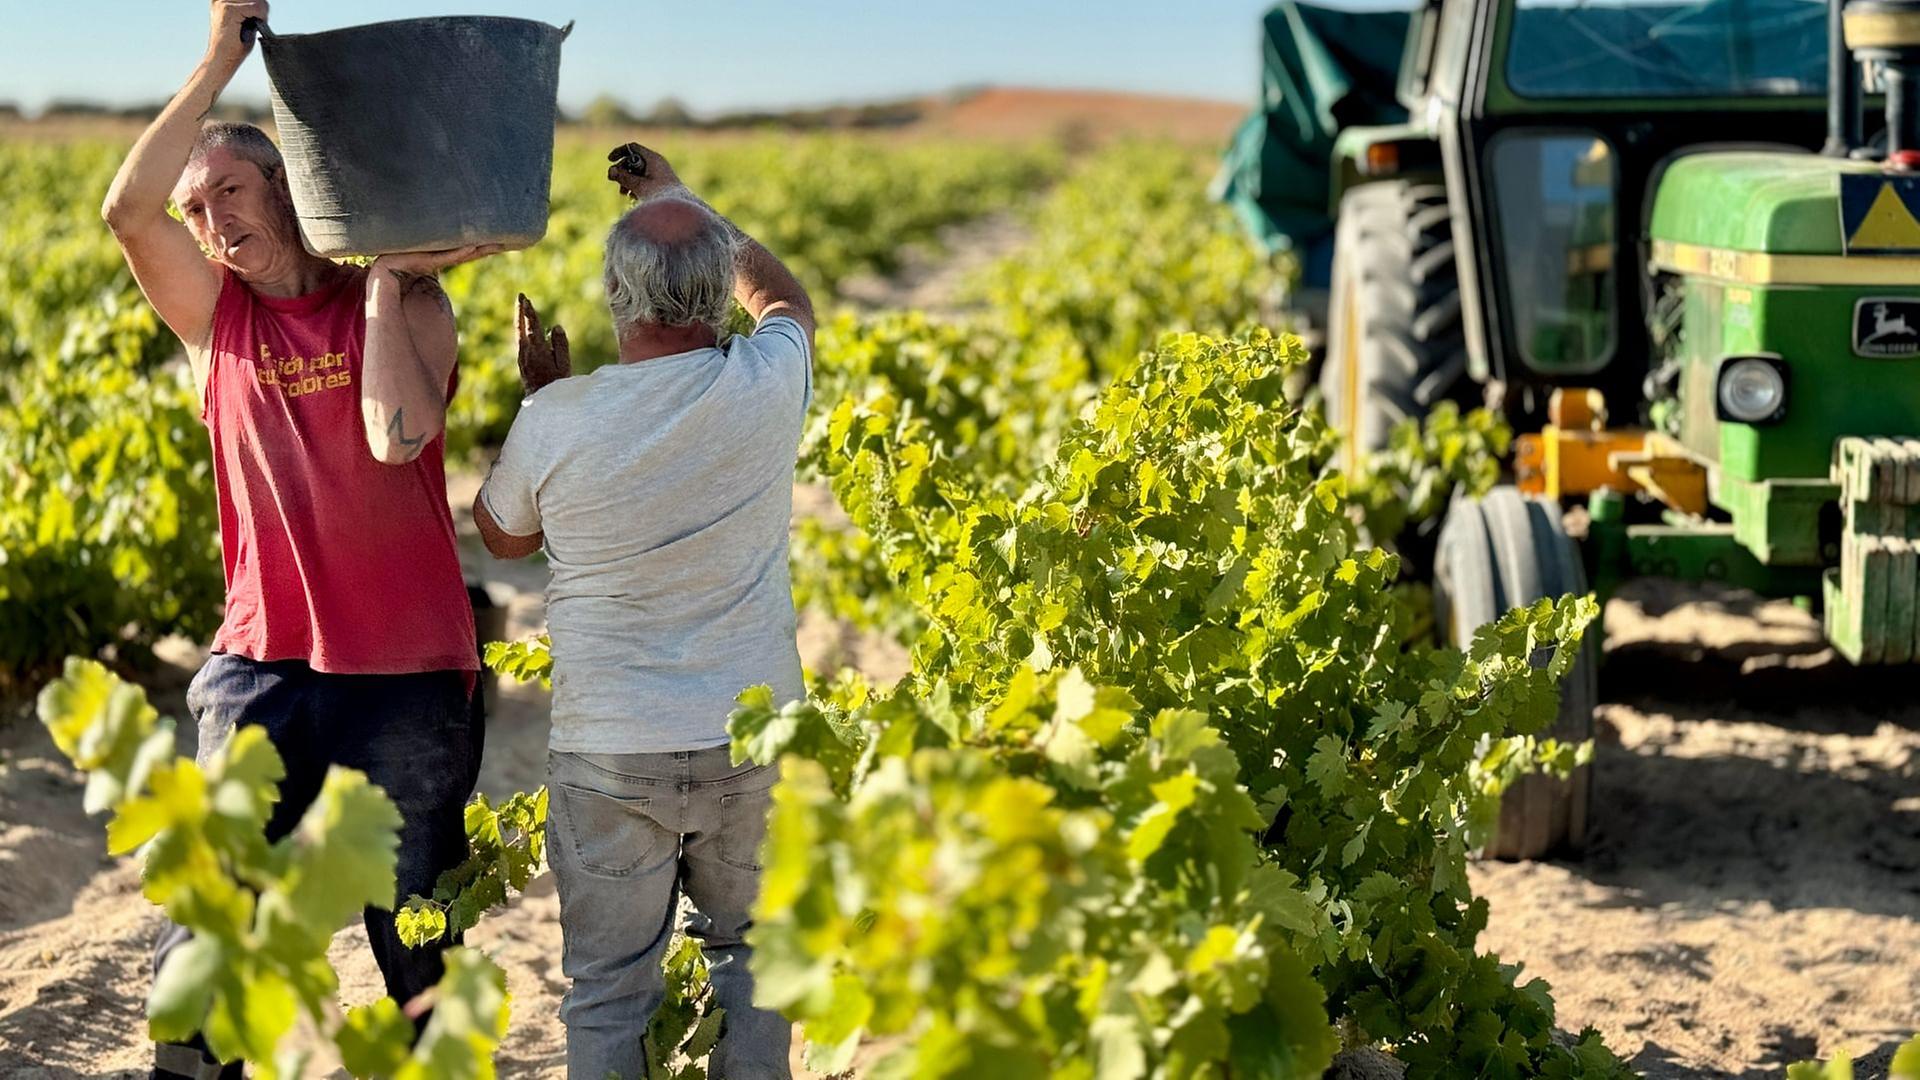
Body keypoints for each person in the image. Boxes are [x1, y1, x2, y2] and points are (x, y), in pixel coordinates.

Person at [100, 3, 500, 1076]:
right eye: (198, 209)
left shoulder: (411, 301)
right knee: (215, 914)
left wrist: (375, 281)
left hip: (408, 671)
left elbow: (397, 434)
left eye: (229, 189)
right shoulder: (212, 319)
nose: (210, 220)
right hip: (260, 664)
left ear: (286, 186)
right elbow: (124, 208)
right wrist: (216, 62)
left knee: (417, 938)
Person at [473, 142, 813, 1080]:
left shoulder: (559, 417)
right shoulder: (766, 383)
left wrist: (546, 407)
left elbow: (501, 539)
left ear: (618, 302)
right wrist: (689, 202)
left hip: (611, 752)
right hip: (750, 742)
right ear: (714, 299)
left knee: (608, 991)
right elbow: (787, 306)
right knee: (753, 964)